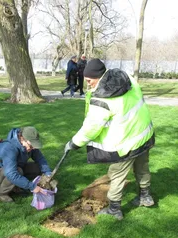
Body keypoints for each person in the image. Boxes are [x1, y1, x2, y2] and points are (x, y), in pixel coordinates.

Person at [64, 59, 155, 220]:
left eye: (89, 80)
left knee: (116, 173)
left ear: (99, 76)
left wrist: (74, 143)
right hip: (144, 134)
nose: (88, 84)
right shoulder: (126, 78)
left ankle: (114, 209)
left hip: (127, 142)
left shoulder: (103, 99)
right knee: (142, 166)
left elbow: (91, 128)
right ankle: (145, 196)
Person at [0, 127, 52, 202]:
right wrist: (32, 187)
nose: (33, 148)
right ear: (22, 138)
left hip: (15, 167)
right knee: (18, 171)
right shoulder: (9, 148)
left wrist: (48, 173)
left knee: (37, 168)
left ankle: (16, 186)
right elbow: (11, 174)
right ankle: (1, 193)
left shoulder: (30, 146)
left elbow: (40, 159)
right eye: (31, 145)